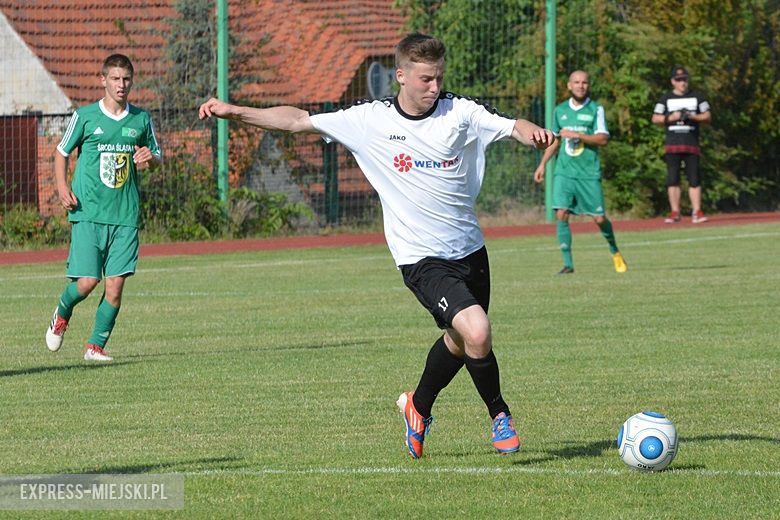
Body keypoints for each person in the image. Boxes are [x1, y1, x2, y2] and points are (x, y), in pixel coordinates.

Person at [198, 33, 555, 458]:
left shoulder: (459, 111)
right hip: (421, 258)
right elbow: (297, 120)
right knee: (477, 330)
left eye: (439, 77)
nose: (434, 87)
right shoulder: (370, 120)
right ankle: (500, 416)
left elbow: (512, 126)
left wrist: (532, 133)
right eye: (425, 79)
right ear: (401, 75)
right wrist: (235, 111)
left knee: (461, 343)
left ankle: (417, 407)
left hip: (470, 251)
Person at [45, 53, 161, 361]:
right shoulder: (85, 117)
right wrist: (61, 188)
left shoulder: (141, 119)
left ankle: (95, 347)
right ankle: (62, 311)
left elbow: (157, 154)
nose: (121, 85)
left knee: (115, 287)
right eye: (115, 79)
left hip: (124, 216)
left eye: (126, 79)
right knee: (86, 283)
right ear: (103, 81)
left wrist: (151, 157)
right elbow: (61, 151)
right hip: (88, 213)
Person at [533, 70, 627, 275]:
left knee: (599, 218)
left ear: (588, 85)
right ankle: (568, 265)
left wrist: (578, 135)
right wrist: (542, 165)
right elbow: (555, 140)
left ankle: (614, 250)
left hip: (588, 172)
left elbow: (602, 138)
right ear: (569, 85)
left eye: (584, 82)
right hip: (564, 172)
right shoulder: (560, 111)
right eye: (576, 82)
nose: (580, 85)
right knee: (561, 213)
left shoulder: (596, 109)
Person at [652, 66, 711, 224]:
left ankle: (697, 211)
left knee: (694, 178)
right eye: (678, 80)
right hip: (673, 144)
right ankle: (675, 212)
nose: (682, 83)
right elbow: (655, 118)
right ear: (673, 82)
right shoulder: (665, 99)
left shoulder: (698, 97)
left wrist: (692, 116)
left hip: (691, 143)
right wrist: (671, 117)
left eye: (684, 79)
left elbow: (707, 116)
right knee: (673, 178)